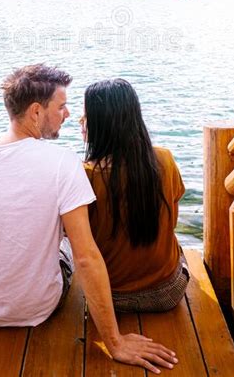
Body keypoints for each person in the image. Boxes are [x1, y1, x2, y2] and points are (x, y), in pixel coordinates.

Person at [0, 64, 177, 372]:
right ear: (36, 112)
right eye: (62, 106)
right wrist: (115, 343)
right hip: (36, 308)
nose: (68, 114)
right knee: (69, 243)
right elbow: (85, 257)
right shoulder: (62, 163)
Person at [81, 78, 188, 312]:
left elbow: (81, 243)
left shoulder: (86, 175)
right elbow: (172, 221)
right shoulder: (165, 159)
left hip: (112, 298)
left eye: (86, 115)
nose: (81, 121)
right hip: (169, 292)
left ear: (102, 123)